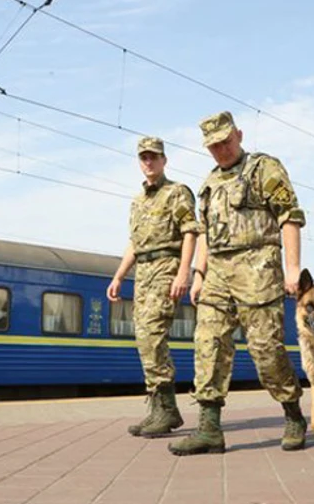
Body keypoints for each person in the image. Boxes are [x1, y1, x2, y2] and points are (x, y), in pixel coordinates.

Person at [168, 111, 307, 456]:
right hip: (217, 274)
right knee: (208, 344)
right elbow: (205, 234)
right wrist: (199, 274)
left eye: (225, 142)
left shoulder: (264, 168)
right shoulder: (209, 183)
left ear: (239, 135)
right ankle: (209, 429)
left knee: (265, 350)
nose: (221, 150)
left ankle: (293, 414)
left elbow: (289, 216)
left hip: (258, 268)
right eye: (213, 146)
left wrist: (292, 268)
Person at [107, 136, 199, 437]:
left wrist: (183, 272)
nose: (148, 162)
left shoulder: (177, 192)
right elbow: (135, 244)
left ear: (164, 160)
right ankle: (159, 408)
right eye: (143, 157)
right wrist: (119, 276)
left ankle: (168, 410)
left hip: (165, 268)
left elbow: (190, 232)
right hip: (143, 273)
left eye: (153, 157)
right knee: (144, 338)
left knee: (152, 334)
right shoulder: (138, 202)